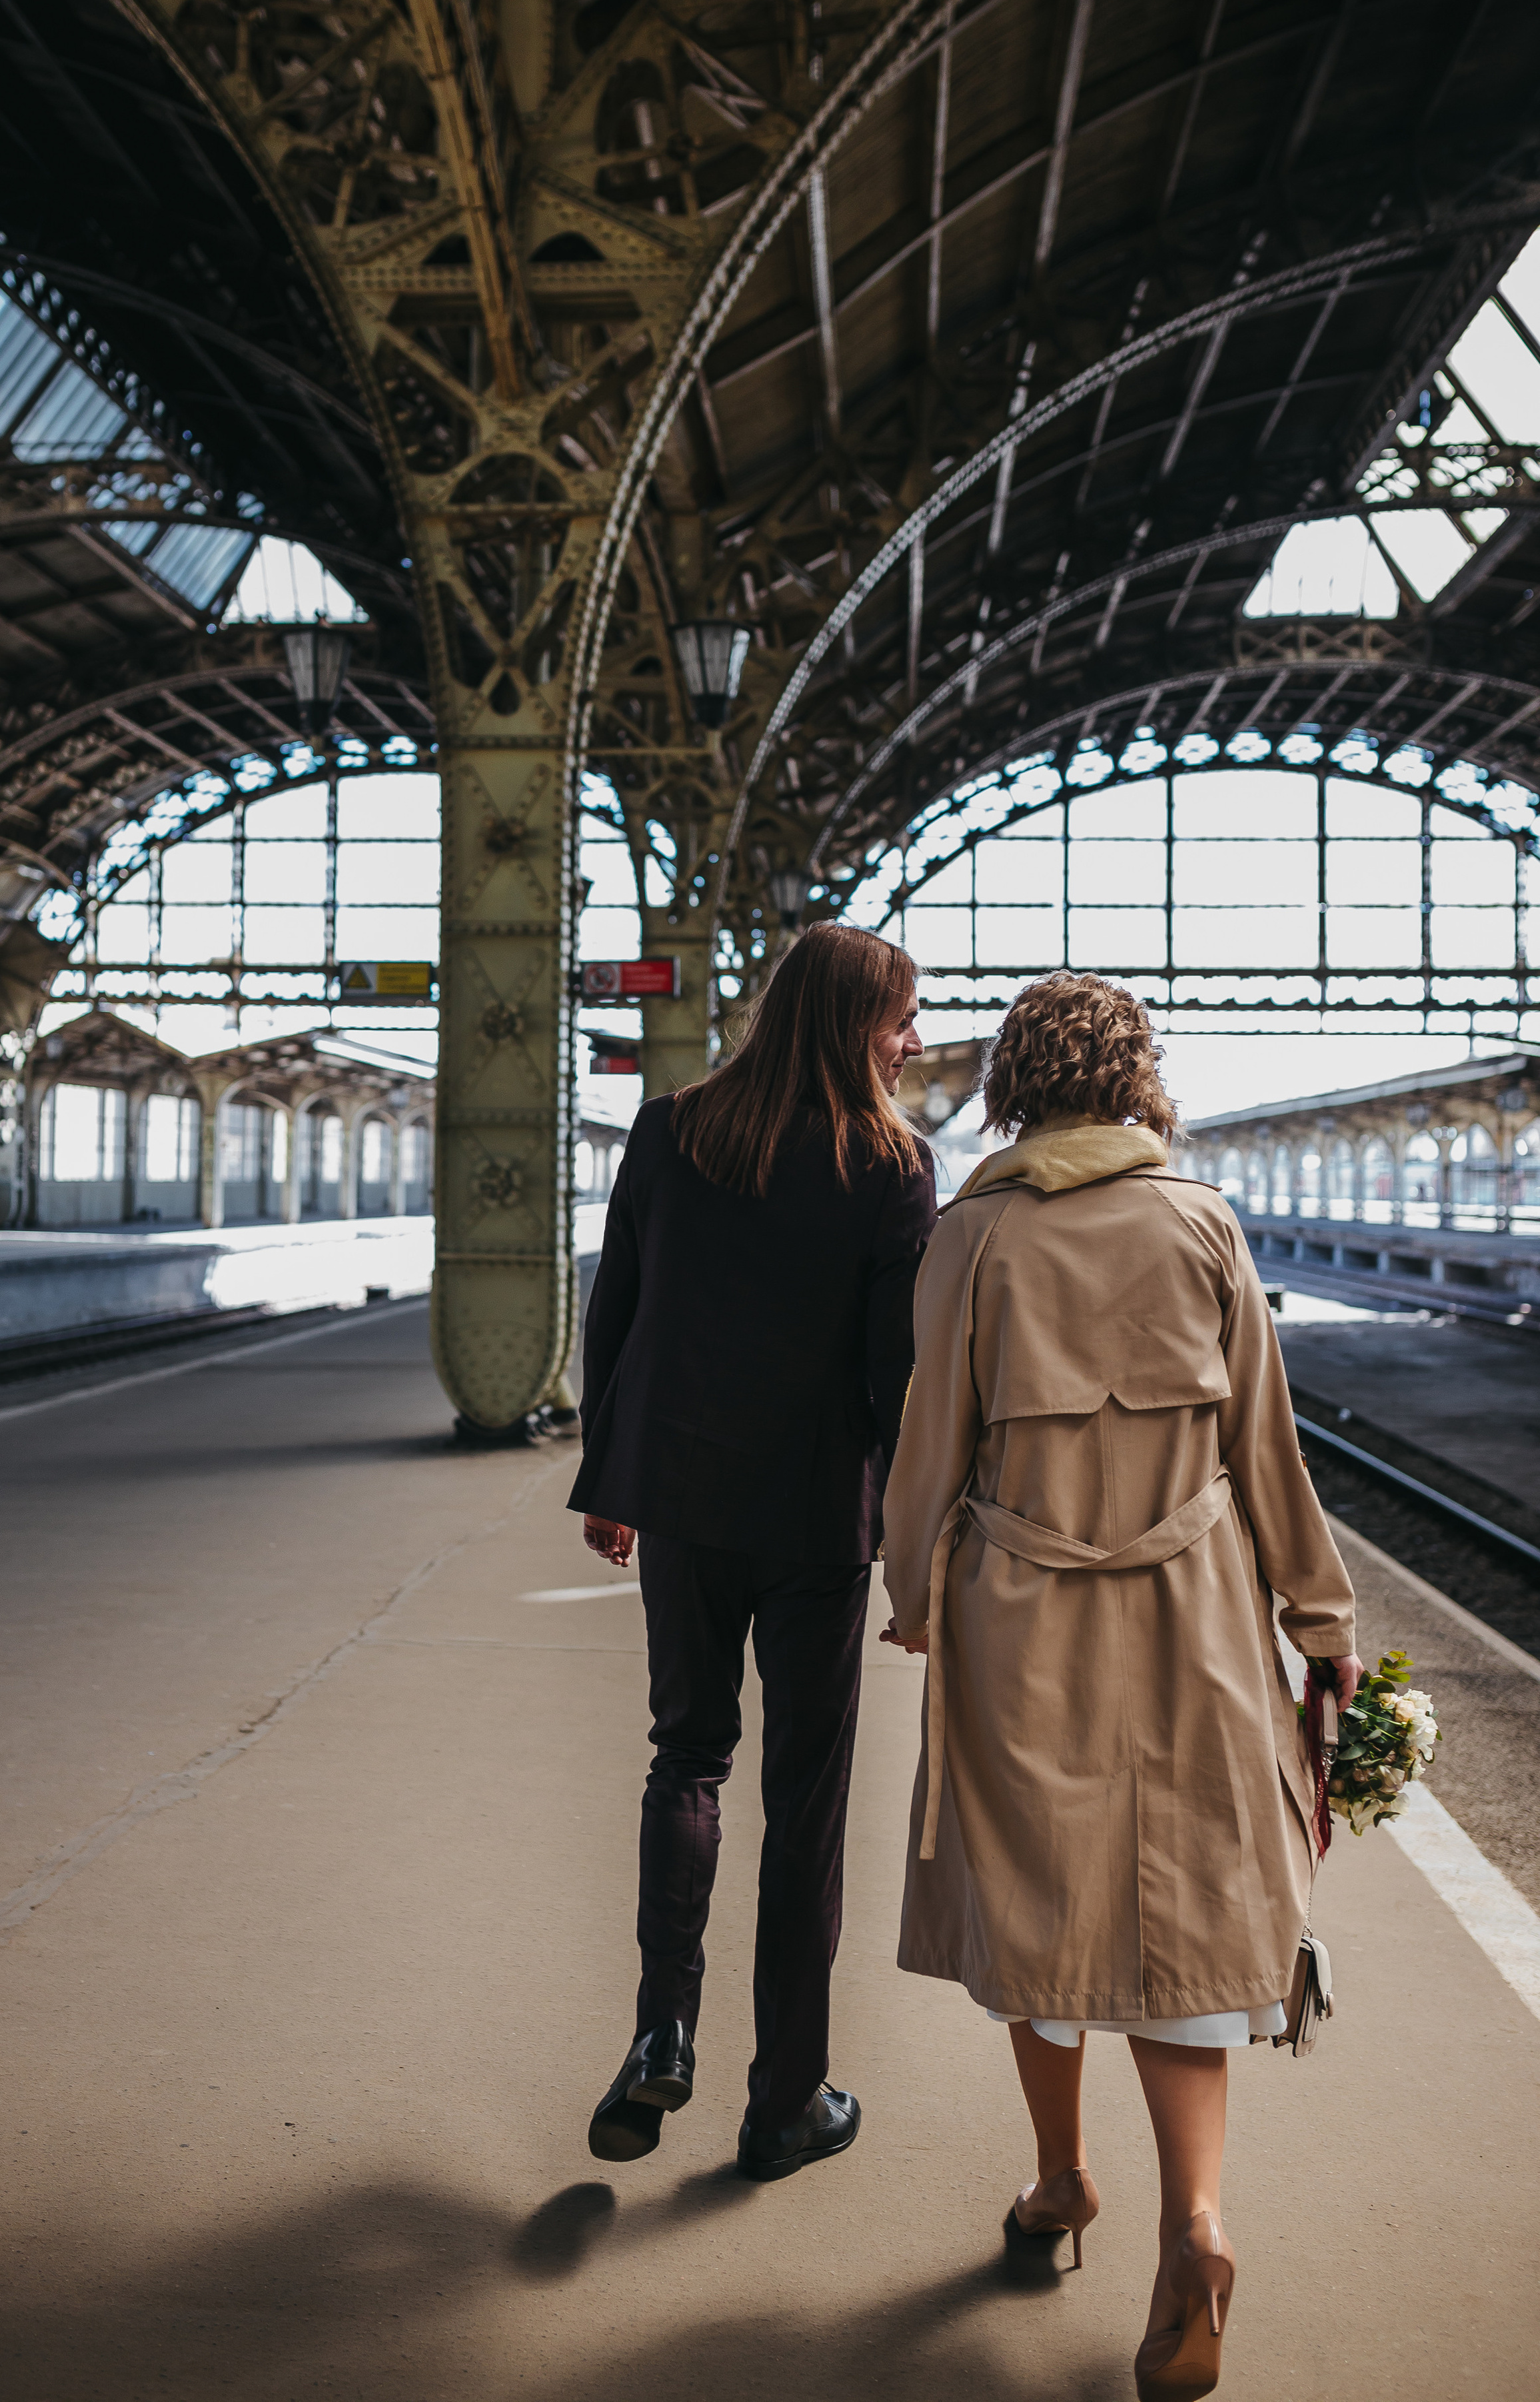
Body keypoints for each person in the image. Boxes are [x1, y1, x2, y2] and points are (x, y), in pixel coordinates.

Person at [880, 971, 1357, 2401]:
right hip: (1194, 1619)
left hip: (1019, 1616)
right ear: (1137, 1077)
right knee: (1184, 1912)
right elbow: (1266, 1450)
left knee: (1039, 1905)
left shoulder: (972, 1236)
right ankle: (1195, 2226)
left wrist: (912, 1598)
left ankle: (1057, 2184)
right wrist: (1317, 1620)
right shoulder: (1200, 1223)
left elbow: (928, 1443)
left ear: (1015, 1079)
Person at [570, 922, 936, 2180]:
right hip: (816, 1518)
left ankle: (661, 2032)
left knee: (687, 1757)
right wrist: (912, 1540)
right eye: (903, 1019)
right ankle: (785, 2101)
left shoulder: (675, 1130)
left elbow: (618, 1304)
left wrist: (607, 1476)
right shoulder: (892, 1165)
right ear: (855, 1025)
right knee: (805, 1808)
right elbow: (897, 1377)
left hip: (679, 1497)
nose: (917, 1040)